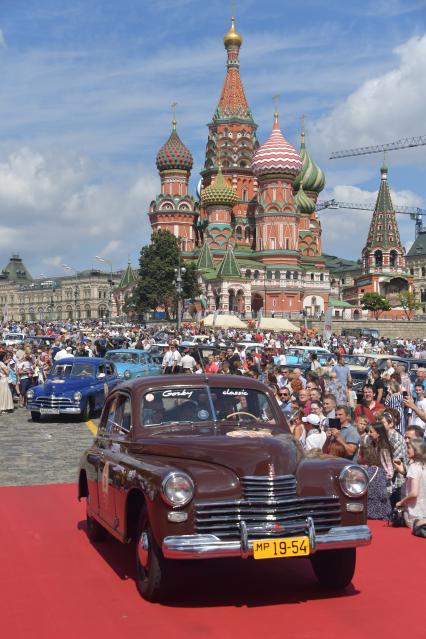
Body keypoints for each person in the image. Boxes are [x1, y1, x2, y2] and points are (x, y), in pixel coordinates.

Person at [394, 438, 426, 530]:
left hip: (414, 516)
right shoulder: (423, 466)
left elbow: (414, 493)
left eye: (409, 448)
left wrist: (400, 502)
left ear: (416, 450)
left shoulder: (414, 466)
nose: (406, 450)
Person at [358, 440, 392, 520]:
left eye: (359, 454)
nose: (358, 456)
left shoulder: (360, 472)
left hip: (367, 512)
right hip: (384, 511)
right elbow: (387, 490)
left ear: (362, 456)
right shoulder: (381, 471)